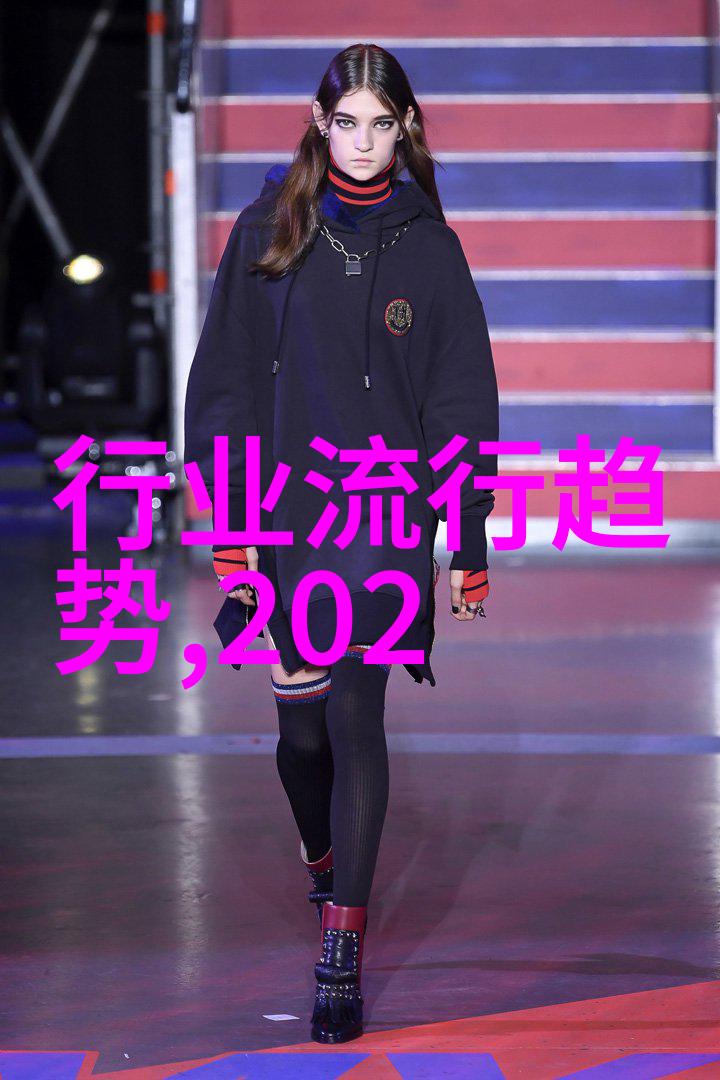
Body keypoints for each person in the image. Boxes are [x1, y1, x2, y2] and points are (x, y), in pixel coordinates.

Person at [183, 42, 499, 1044]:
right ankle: (321, 856)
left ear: (406, 130)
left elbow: (460, 399)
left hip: (383, 517)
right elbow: (226, 385)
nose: (364, 142)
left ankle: (342, 949)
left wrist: (466, 532)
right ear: (322, 126)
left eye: (382, 124)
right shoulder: (269, 230)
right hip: (286, 515)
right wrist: (232, 530)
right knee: (304, 735)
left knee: (357, 720)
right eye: (347, 122)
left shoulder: (431, 250)